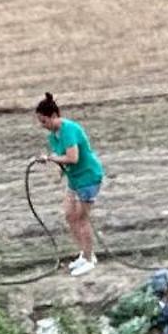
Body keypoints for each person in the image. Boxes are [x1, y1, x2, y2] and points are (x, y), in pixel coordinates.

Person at [34, 93, 104, 276]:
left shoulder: (69, 129)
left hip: (88, 177)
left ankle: (89, 260)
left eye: (44, 121)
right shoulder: (53, 136)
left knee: (82, 218)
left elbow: (73, 157)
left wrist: (50, 158)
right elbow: (61, 159)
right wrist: (53, 166)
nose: (43, 126)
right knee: (69, 215)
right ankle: (85, 253)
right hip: (74, 180)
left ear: (54, 116)